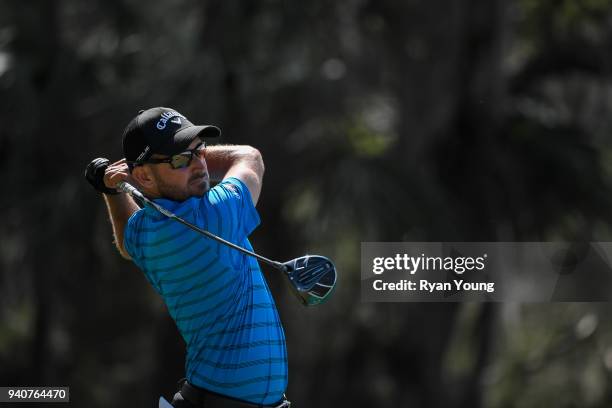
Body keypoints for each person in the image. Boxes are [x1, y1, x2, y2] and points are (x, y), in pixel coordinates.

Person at [85, 107, 290, 408]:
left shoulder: (147, 233)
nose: (199, 165)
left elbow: (128, 242)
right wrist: (122, 181)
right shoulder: (215, 214)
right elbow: (249, 157)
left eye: (200, 152)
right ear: (144, 176)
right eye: (180, 159)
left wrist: (113, 189)